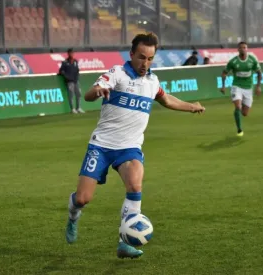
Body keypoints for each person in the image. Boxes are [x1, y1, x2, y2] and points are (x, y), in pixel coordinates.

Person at [64, 32, 206, 259]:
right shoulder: (117, 73)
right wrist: (97, 91)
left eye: (150, 58)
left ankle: (124, 241)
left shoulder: (152, 82)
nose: (145, 63)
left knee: (134, 186)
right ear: (131, 54)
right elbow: (89, 96)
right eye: (141, 57)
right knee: (82, 199)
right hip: (101, 146)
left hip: (129, 147)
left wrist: (191, 106)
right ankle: (73, 217)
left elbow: (166, 99)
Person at [220, 41, 262, 136]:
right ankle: (239, 129)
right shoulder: (233, 61)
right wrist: (223, 86)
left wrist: (258, 86)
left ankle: (241, 105)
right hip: (237, 86)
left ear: (247, 49)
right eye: (241, 47)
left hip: (248, 88)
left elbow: (259, 73)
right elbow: (224, 73)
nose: (243, 49)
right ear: (238, 49)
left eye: (244, 47)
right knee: (237, 107)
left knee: (244, 113)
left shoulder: (252, 60)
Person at [59, 48, 85, 114]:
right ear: (68, 54)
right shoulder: (65, 62)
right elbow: (61, 71)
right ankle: (72, 109)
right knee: (71, 95)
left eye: (73, 53)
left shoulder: (75, 61)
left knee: (79, 94)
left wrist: (77, 77)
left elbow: (77, 70)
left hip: (76, 81)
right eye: (70, 53)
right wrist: (67, 77)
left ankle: (78, 108)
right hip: (69, 81)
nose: (72, 54)